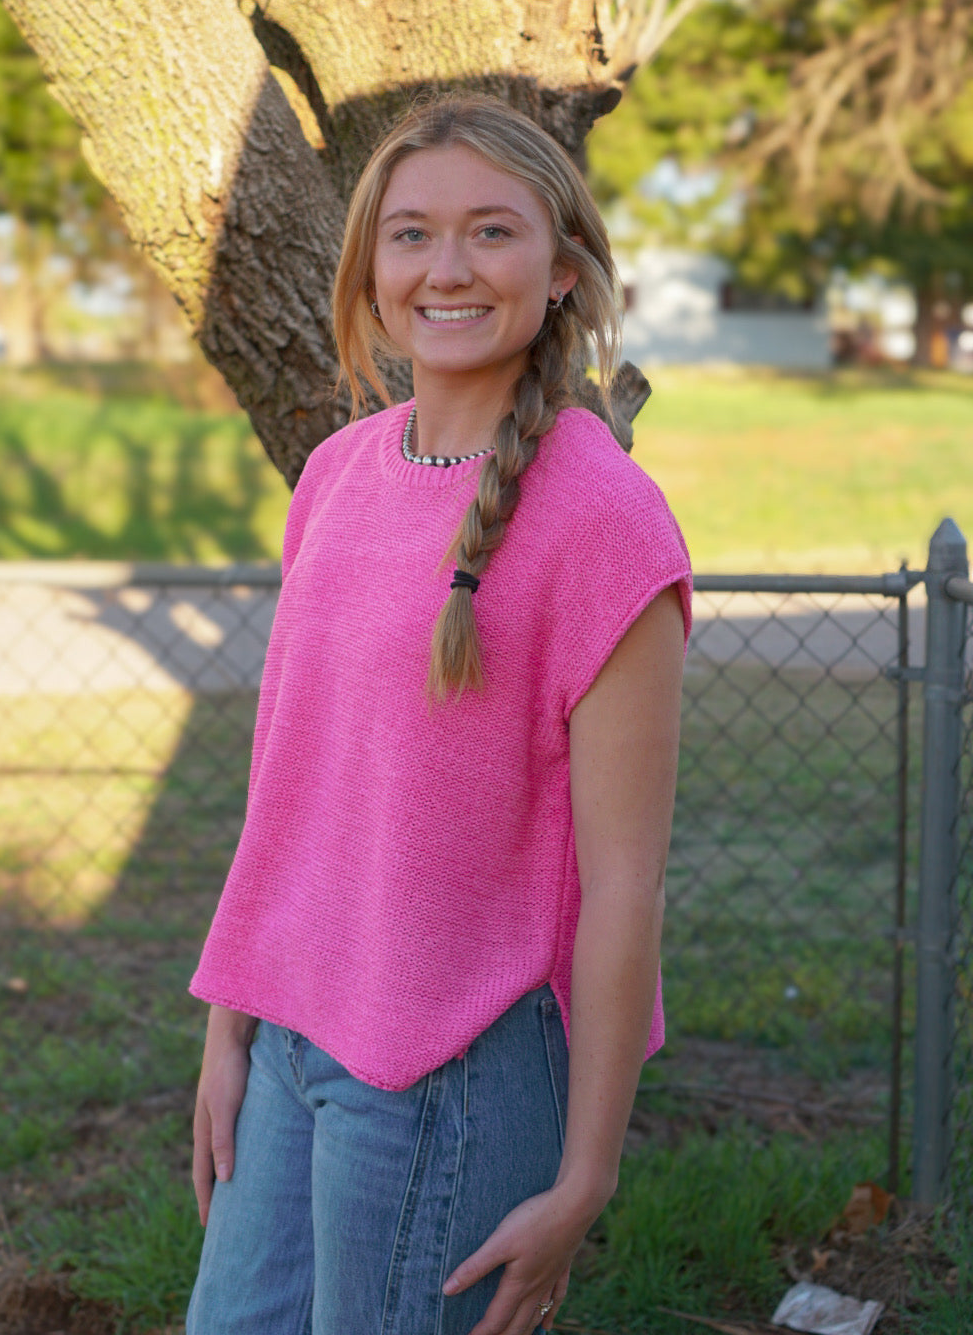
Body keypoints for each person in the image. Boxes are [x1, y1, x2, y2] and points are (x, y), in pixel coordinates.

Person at [185, 94, 691, 1335]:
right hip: (293, 1039)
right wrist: (228, 1030)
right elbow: (289, 787)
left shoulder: (605, 520)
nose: (447, 269)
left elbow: (624, 885)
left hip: (450, 1070)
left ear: (562, 267)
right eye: (410, 235)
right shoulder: (336, 475)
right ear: (368, 269)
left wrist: (587, 1177)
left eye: (491, 233)